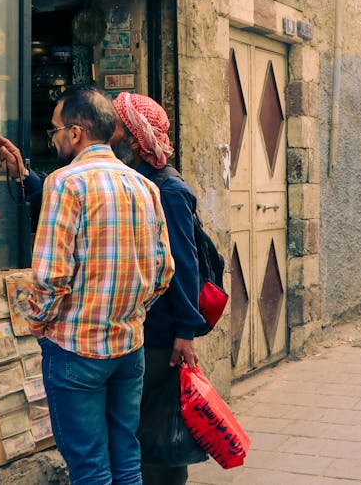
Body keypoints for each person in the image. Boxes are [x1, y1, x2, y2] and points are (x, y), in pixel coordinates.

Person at [0, 86, 174, 485]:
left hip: (77, 349)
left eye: (55, 130)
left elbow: (50, 276)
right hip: (129, 348)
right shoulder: (146, 187)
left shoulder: (65, 183)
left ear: (76, 134)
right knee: (126, 460)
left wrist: (40, 325)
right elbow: (164, 271)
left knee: (90, 468)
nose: (54, 138)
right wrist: (132, 312)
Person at [111, 91, 207, 485]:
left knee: (156, 431)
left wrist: (186, 332)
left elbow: (185, 266)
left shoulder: (166, 190)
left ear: (134, 137)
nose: (108, 134)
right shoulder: (137, 181)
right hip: (145, 329)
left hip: (162, 335)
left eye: (114, 126)